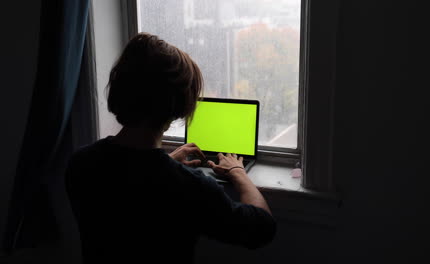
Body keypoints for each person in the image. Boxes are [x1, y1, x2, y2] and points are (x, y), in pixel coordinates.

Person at [65, 33, 276, 264]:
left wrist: (168, 163)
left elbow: (132, 188)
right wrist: (238, 172)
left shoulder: (80, 164)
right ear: (181, 106)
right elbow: (261, 228)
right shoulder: (189, 187)